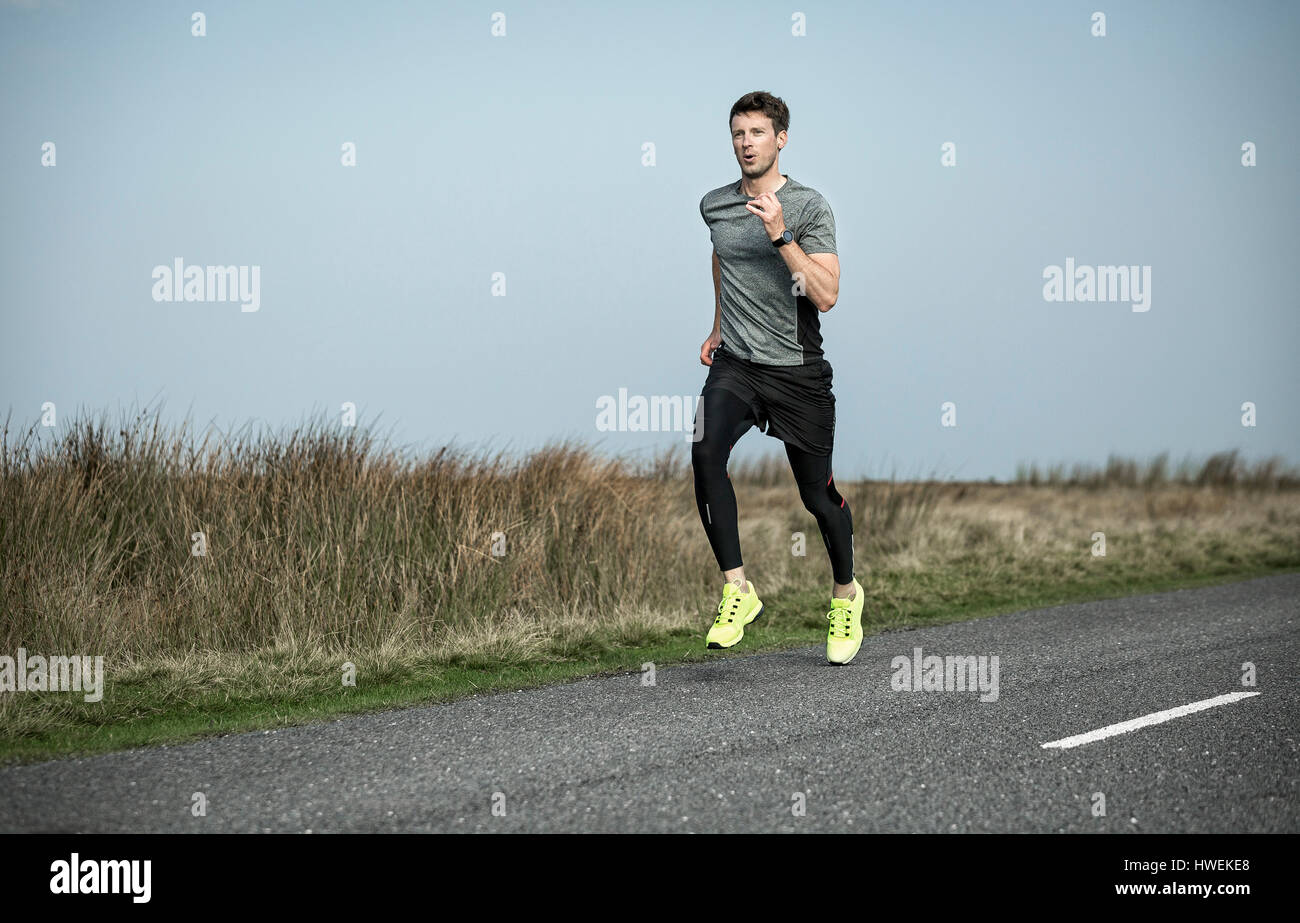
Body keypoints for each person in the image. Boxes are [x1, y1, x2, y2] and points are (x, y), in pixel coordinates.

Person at [694, 90, 864, 665]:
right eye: (738, 133)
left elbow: (828, 294)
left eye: (758, 133)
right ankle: (737, 589)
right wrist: (718, 327)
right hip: (738, 363)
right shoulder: (714, 205)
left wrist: (780, 234)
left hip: (796, 371)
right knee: (704, 450)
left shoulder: (810, 207)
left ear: (781, 139)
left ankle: (845, 595)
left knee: (817, 495)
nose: (746, 143)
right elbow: (722, 257)